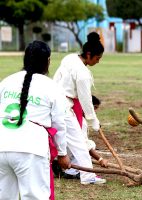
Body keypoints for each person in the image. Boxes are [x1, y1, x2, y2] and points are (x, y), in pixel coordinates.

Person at [0, 41, 70, 199]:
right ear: (48, 61)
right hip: (31, 150)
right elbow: (59, 123)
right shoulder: (52, 86)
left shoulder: (5, 82)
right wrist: (62, 153)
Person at [53, 32, 106, 185]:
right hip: (63, 106)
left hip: (56, 102)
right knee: (79, 143)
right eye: (97, 58)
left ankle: (65, 167)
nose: (98, 61)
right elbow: (86, 99)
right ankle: (88, 177)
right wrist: (94, 120)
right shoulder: (82, 73)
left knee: (75, 137)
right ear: (88, 54)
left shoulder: (69, 58)